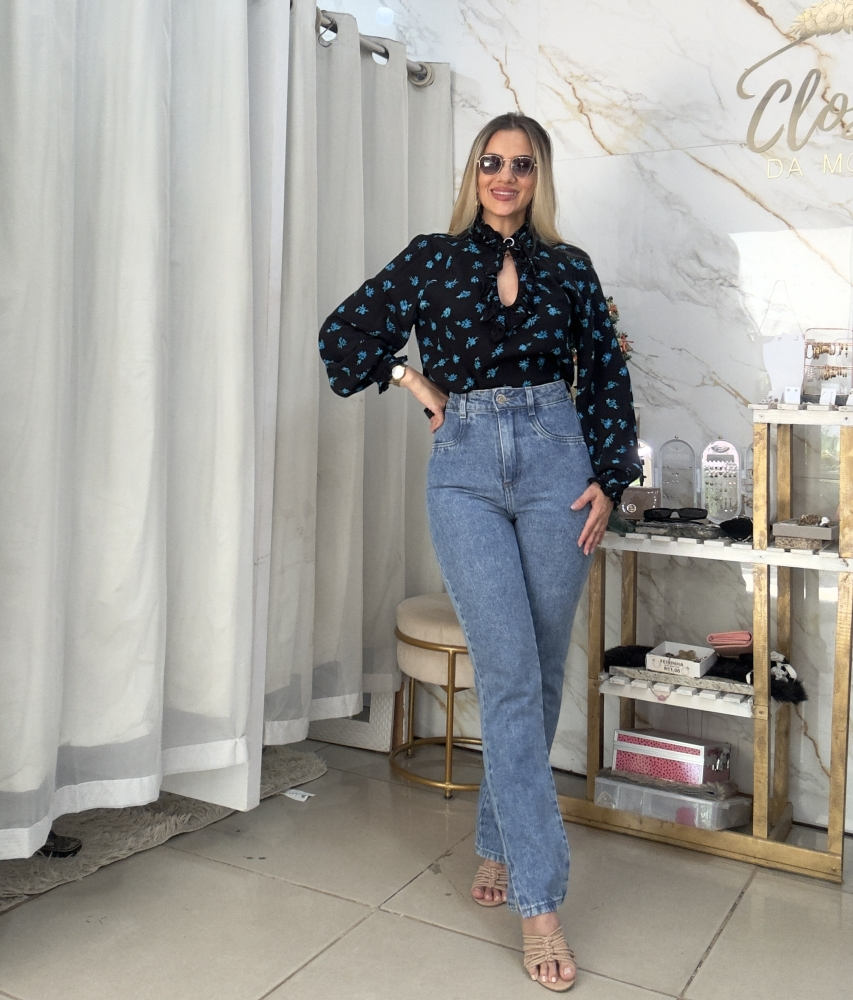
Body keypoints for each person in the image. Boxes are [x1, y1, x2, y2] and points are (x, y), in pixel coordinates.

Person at [319, 112, 640, 992]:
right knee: (506, 673)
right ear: (474, 173)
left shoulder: (569, 267)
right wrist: (412, 380)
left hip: (556, 463)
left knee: (537, 671)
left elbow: (604, 375)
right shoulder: (431, 257)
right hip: (462, 468)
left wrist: (609, 480)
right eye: (491, 162)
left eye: (521, 165)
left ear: (538, 178)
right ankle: (540, 903)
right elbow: (343, 338)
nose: (504, 176)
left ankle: (499, 839)